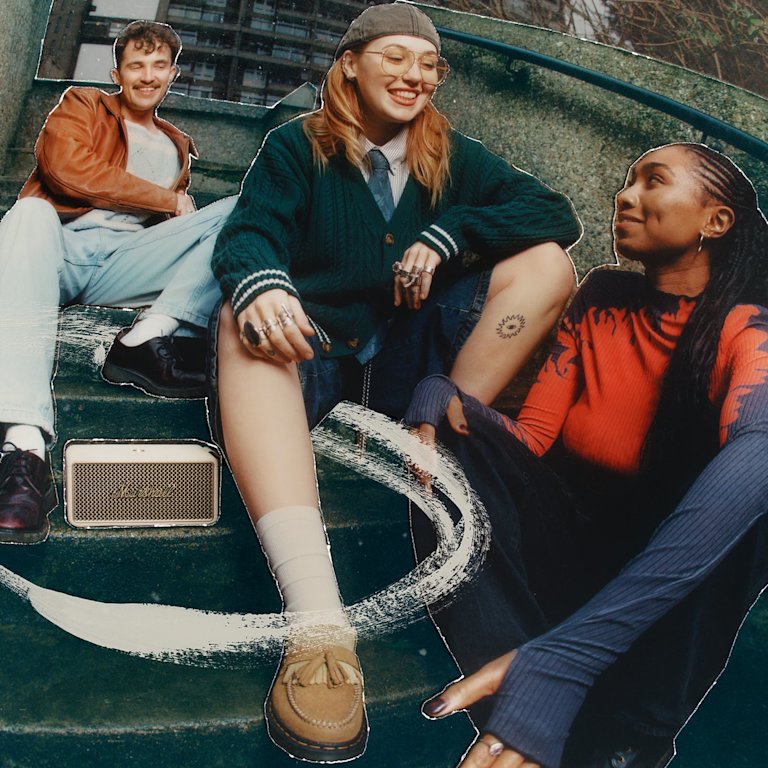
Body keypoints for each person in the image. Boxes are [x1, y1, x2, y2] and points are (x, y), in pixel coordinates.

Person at [210, 3, 580, 762]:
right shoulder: (297, 147)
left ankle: (436, 428)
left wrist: (446, 235)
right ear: (348, 62)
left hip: (407, 373)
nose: (416, 76)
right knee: (240, 314)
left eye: (429, 64)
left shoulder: (453, 155)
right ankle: (318, 624)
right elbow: (250, 231)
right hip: (315, 359)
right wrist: (264, 284)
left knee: (546, 260)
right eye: (397, 57)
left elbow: (552, 210)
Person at [405, 142, 768, 768]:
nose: (625, 196)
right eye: (627, 181)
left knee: (753, 500)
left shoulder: (748, 326)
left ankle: (620, 737)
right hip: (567, 552)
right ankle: (521, 714)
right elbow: (532, 441)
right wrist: (445, 394)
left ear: (716, 221)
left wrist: (571, 656)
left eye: (653, 182)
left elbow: (759, 446)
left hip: (665, 596)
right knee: (445, 449)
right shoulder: (602, 296)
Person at [0, 20, 235, 544]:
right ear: (118, 73)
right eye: (136, 65)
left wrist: (177, 219)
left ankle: (146, 337)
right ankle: (23, 448)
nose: (147, 75)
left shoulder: (178, 146)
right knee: (28, 215)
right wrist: (168, 200)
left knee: (243, 209)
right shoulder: (84, 105)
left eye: (158, 66)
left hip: (124, 266)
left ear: (173, 74)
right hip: (56, 247)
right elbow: (65, 168)